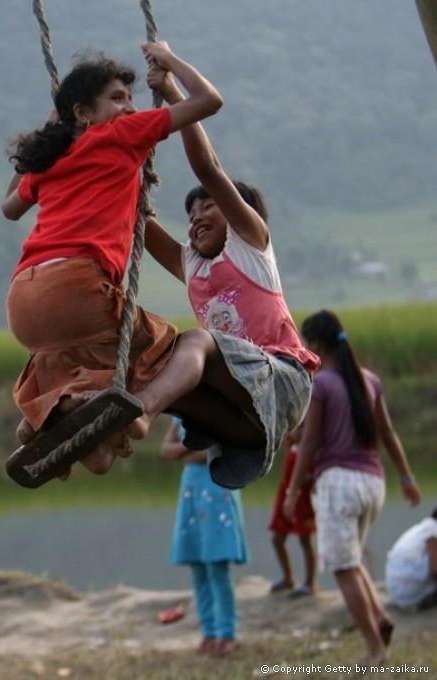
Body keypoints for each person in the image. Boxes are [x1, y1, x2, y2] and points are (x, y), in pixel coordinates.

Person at [2, 40, 223, 476]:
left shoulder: (52, 158)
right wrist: (169, 64)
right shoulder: (122, 133)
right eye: (117, 98)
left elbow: (10, 206)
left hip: (24, 301)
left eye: (131, 98)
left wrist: (45, 133)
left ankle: (50, 423)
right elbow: (210, 101)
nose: (128, 107)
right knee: (165, 345)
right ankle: (134, 418)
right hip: (76, 289)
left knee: (93, 414)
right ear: (84, 113)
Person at [125, 64, 320, 491]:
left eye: (208, 208)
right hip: (242, 417)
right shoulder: (193, 265)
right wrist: (108, 147)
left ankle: (141, 411)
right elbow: (134, 218)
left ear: (237, 213)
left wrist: (175, 91)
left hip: (282, 385)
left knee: (191, 340)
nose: (196, 220)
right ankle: (105, 442)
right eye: (191, 215)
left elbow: (208, 170)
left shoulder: (250, 245)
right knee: (150, 354)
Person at [283, 309, 421, 668]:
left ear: (313, 345)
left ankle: (375, 649)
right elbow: (388, 434)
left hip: (338, 484)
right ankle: (380, 617)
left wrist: (293, 490)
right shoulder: (369, 380)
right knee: (352, 558)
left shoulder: (322, 383)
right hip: (373, 483)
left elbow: (310, 442)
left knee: (342, 567)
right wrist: (406, 478)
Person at [161, 416, 248, 655]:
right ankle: (208, 631)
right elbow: (165, 451)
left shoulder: (216, 411)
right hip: (192, 488)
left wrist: (183, 453)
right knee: (198, 565)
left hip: (217, 489)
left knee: (217, 566)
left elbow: (212, 452)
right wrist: (190, 451)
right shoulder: (179, 417)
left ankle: (227, 633)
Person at [268, 422, 316, 596]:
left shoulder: (310, 451)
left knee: (305, 541)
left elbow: (313, 475)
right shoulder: (293, 447)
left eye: (302, 428)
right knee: (277, 539)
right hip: (286, 499)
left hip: (302, 501)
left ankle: (310, 582)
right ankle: (288, 577)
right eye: (295, 427)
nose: (297, 432)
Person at [385, 507, 437, 610]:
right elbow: (435, 569)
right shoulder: (433, 530)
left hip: (397, 592)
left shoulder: (425, 527)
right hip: (409, 591)